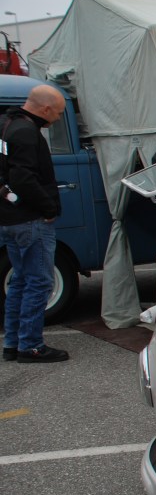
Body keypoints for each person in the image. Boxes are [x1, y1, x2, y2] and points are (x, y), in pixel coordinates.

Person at [0, 84, 71, 363]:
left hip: (9, 218)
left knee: (19, 280)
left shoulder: (7, 126)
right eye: (57, 113)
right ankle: (30, 345)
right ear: (45, 109)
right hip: (30, 220)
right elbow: (23, 178)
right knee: (39, 282)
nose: (56, 119)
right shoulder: (28, 133)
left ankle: (13, 343)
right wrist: (49, 207)